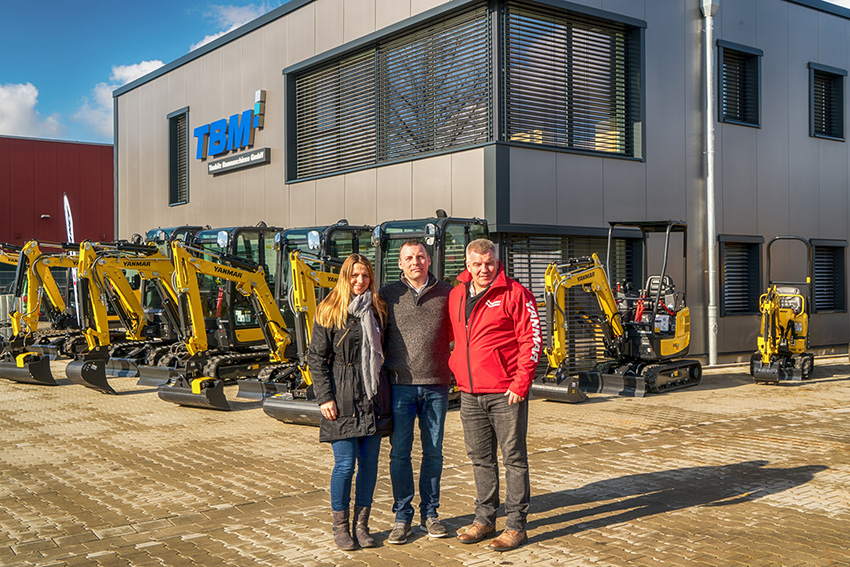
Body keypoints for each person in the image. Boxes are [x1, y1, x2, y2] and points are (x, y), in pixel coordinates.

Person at [447, 238, 541, 552]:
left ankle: (516, 526)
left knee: (514, 459)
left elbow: (532, 340)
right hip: (470, 393)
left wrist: (520, 383)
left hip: (506, 392)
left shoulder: (516, 293)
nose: (484, 269)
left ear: (496, 261)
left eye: (489, 263)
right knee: (480, 460)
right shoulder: (457, 294)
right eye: (477, 264)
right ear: (467, 265)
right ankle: (485, 519)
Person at [308, 253, 392, 551]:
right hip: (341, 397)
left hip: (373, 397)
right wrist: (324, 398)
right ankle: (341, 528)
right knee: (345, 465)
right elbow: (316, 359)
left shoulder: (378, 309)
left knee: (369, 465)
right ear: (345, 277)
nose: (360, 281)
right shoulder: (329, 310)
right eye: (354, 276)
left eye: (365, 276)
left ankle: (362, 525)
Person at [379, 240, 453, 544]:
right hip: (400, 388)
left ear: (428, 260)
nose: (415, 262)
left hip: (436, 385)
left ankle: (431, 513)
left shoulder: (447, 293)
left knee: (433, 453)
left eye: (420, 256)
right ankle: (402, 516)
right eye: (408, 258)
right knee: (400, 454)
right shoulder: (387, 295)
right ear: (400, 263)